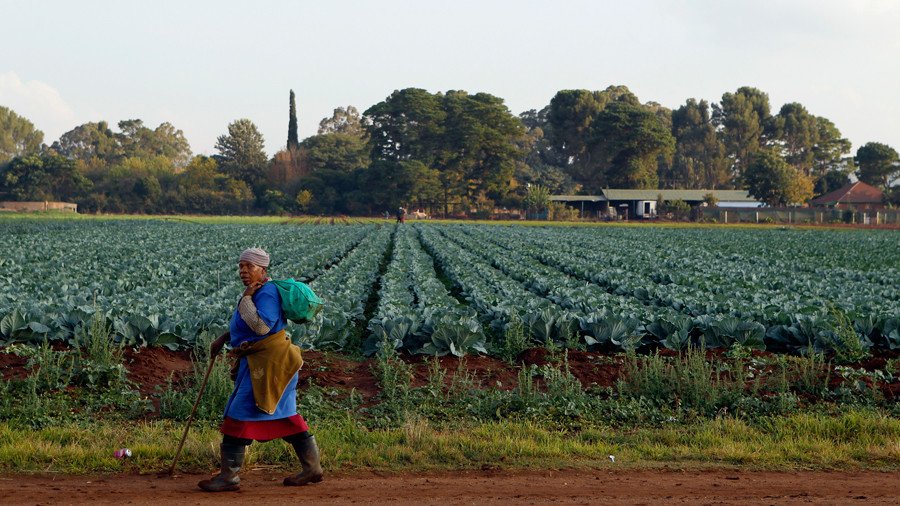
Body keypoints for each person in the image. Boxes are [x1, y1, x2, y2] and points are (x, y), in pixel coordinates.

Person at [199, 247, 323, 492]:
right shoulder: (260, 290)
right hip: (265, 362)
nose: (244, 271)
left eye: (249, 267)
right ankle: (312, 469)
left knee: (238, 412)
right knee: (285, 414)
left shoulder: (265, 292)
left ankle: (228, 477)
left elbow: (261, 327)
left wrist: (246, 298)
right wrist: (225, 337)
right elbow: (247, 324)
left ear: (262, 269)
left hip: (271, 365)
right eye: (241, 267)